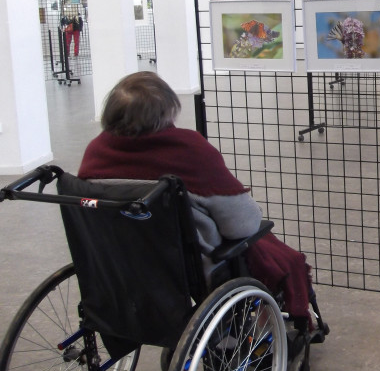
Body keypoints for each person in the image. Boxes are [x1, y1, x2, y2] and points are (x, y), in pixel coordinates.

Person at [78, 71, 312, 325]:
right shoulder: (188, 151)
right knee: (276, 253)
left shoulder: (96, 152)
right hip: (191, 271)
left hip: (120, 264)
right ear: (167, 111)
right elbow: (242, 225)